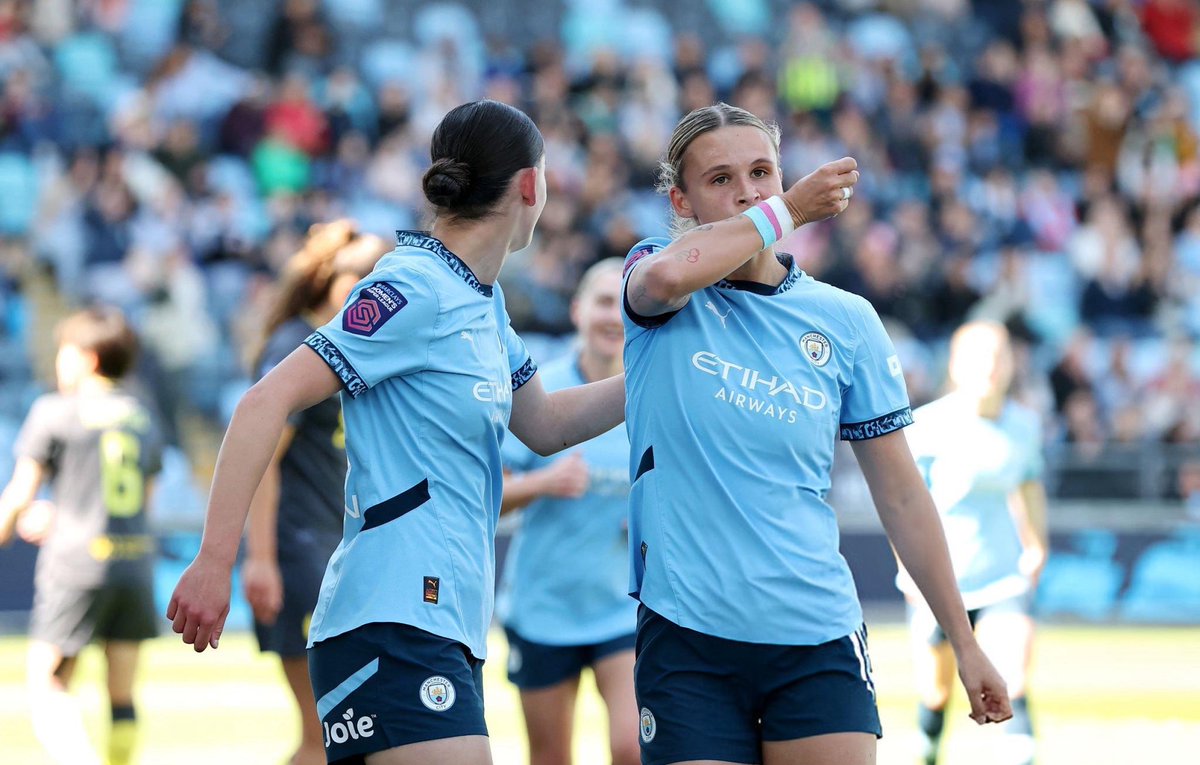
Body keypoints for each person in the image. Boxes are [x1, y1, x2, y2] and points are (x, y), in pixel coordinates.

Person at [166, 99, 626, 765]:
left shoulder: (482, 301)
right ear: (531, 184)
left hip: (447, 625)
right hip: (390, 617)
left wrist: (655, 376)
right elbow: (264, 400)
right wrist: (215, 560)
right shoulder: (415, 286)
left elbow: (548, 424)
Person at [620, 102, 1012, 765]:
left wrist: (964, 640)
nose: (747, 190)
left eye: (762, 171)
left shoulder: (846, 319)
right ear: (680, 199)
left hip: (816, 636)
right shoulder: (662, 277)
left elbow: (903, 496)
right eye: (720, 180)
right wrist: (790, 210)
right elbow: (665, 277)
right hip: (688, 636)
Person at [241, 220, 391, 765]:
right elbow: (261, 463)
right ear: (331, 276)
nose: (378, 286)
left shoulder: (351, 344)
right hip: (298, 547)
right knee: (326, 734)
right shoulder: (297, 347)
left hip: (331, 542)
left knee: (344, 733)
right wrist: (260, 559)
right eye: (365, 275)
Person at [0, 306, 164, 765]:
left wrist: (22, 523)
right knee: (123, 695)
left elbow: (18, 495)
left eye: (64, 352)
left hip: (75, 564)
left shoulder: (54, 411)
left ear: (88, 358)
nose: (58, 362)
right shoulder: (141, 415)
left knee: (47, 685)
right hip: (134, 564)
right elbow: (142, 505)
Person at [497, 257, 639, 765]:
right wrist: (544, 482)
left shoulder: (651, 393)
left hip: (623, 607)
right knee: (551, 757)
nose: (613, 317)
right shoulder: (539, 389)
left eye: (624, 305)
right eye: (603, 302)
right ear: (577, 310)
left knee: (633, 747)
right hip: (544, 610)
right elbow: (488, 496)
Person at [901, 320, 1048, 765]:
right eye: (978, 358)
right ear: (957, 366)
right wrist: (909, 570)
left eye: (998, 357)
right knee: (936, 693)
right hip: (941, 583)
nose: (990, 367)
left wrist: (1037, 545)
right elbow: (904, 505)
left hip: (1002, 577)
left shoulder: (1025, 425)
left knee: (1014, 677)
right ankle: (929, 747)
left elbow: (1028, 485)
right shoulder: (928, 425)